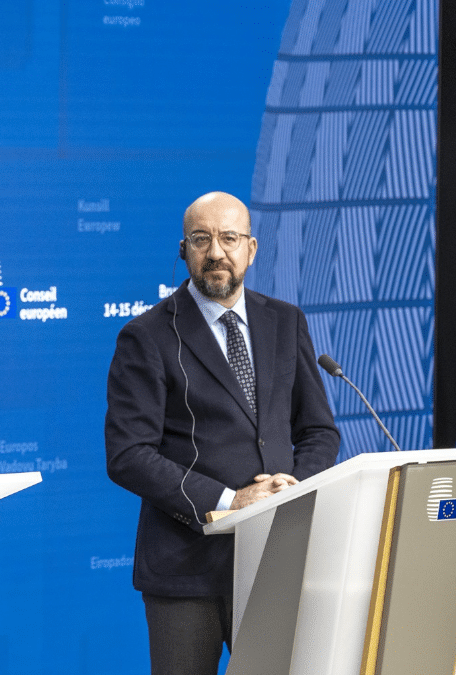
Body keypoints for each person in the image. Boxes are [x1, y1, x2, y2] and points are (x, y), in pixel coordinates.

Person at [104, 191, 339, 674]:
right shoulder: (147, 335)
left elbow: (318, 431)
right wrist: (232, 500)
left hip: (277, 556)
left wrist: (291, 490)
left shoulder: (286, 321)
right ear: (184, 250)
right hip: (187, 570)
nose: (216, 252)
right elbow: (128, 453)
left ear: (251, 248)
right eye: (201, 239)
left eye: (229, 238)